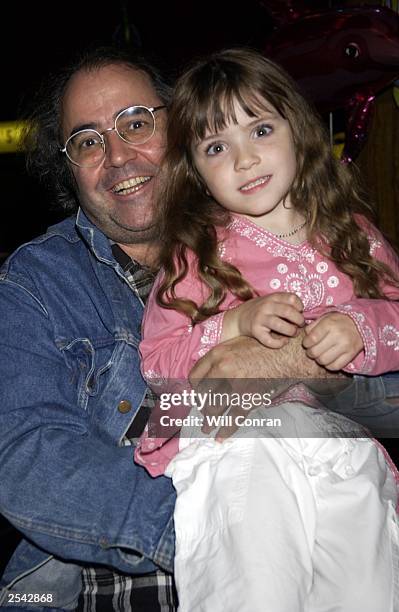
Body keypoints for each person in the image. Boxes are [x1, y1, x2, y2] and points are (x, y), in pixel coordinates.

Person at [0, 45, 336, 611]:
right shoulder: (36, 284)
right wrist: (217, 531)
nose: (117, 155)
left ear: (181, 126)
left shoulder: (287, 237)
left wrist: (290, 358)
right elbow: (27, 460)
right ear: (70, 168)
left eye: (136, 123)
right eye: (87, 141)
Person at [136, 48, 399, 611]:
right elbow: (157, 363)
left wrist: (360, 325)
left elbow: (397, 312)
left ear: (299, 130)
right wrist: (233, 322)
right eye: (216, 147)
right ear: (197, 174)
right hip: (241, 443)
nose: (245, 158)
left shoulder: (353, 234)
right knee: (256, 585)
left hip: (341, 445)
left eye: (259, 128)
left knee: (367, 589)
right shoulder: (197, 253)